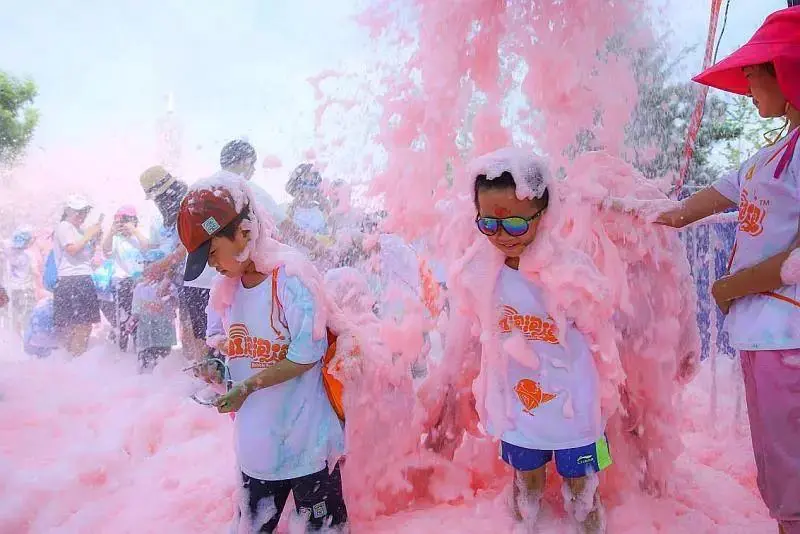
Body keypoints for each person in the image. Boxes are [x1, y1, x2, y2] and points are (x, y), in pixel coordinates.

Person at [650, 8, 800, 533]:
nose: (747, 83)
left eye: (756, 72)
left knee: (794, 476)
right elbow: (711, 197)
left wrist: (728, 286)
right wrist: (638, 209)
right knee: (780, 471)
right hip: (764, 339)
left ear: (789, 71)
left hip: (791, 338)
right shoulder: (770, 156)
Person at [441, 149, 609, 532]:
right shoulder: (480, 273)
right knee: (525, 485)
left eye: (515, 224)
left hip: (575, 407)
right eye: (489, 224)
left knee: (583, 491)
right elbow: (477, 333)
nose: (502, 236)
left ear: (542, 215)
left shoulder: (571, 271)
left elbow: (602, 337)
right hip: (518, 405)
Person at [177, 178, 346, 533]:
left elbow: (306, 354)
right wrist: (220, 371)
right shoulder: (228, 288)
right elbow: (244, 356)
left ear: (243, 231)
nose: (213, 266)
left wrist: (249, 385)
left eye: (212, 253)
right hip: (256, 451)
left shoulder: (290, 278)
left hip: (307, 448)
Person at [139, 165, 210, 362]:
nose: (155, 203)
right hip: (189, 278)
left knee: (200, 332)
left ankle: (203, 373)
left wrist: (163, 265)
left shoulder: (191, 204)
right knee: (189, 327)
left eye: (155, 198)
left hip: (204, 276)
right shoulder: (180, 208)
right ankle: (194, 372)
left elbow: (197, 238)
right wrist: (168, 276)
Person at [52, 195, 103, 356]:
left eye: (84, 212)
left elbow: (86, 258)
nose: (82, 216)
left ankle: (73, 361)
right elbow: (72, 250)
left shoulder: (79, 230)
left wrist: (94, 240)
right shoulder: (64, 226)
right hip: (72, 280)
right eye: (78, 212)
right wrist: (89, 234)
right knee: (77, 324)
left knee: (83, 324)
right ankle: (73, 360)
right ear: (68, 211)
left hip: (82, 277)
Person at [102, 205, 148, 350]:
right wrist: (111, 232)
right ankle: (121, 346)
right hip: (121, 281)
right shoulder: (116, 238)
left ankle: (138, 346)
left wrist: (134, 231)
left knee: (138, 316)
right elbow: (106, 251)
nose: (124, 225)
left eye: (127, 220)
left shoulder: (140, 234)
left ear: (134, 221)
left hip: (139, 282)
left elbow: (147, 246)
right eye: (121, 221)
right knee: (122, 317)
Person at [131, 249, 178, 372]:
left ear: (163, 268)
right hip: (145, 332)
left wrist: (170, 297)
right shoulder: (140, 287)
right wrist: (133, 319)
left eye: (152, 266)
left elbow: (175, 304)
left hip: (164, 333)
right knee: (144, 361)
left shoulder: (170, 287)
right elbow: (135, 309)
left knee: (163, 362)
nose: (149, 270)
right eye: (147, 266)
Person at [6, 227, 38, 335]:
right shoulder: (29, 255)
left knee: (14, 313)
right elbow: (35, 272)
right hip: (26, 288)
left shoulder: (9, 254)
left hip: (12, 289)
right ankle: (26, 337)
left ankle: (15, 335)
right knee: (27, 313)